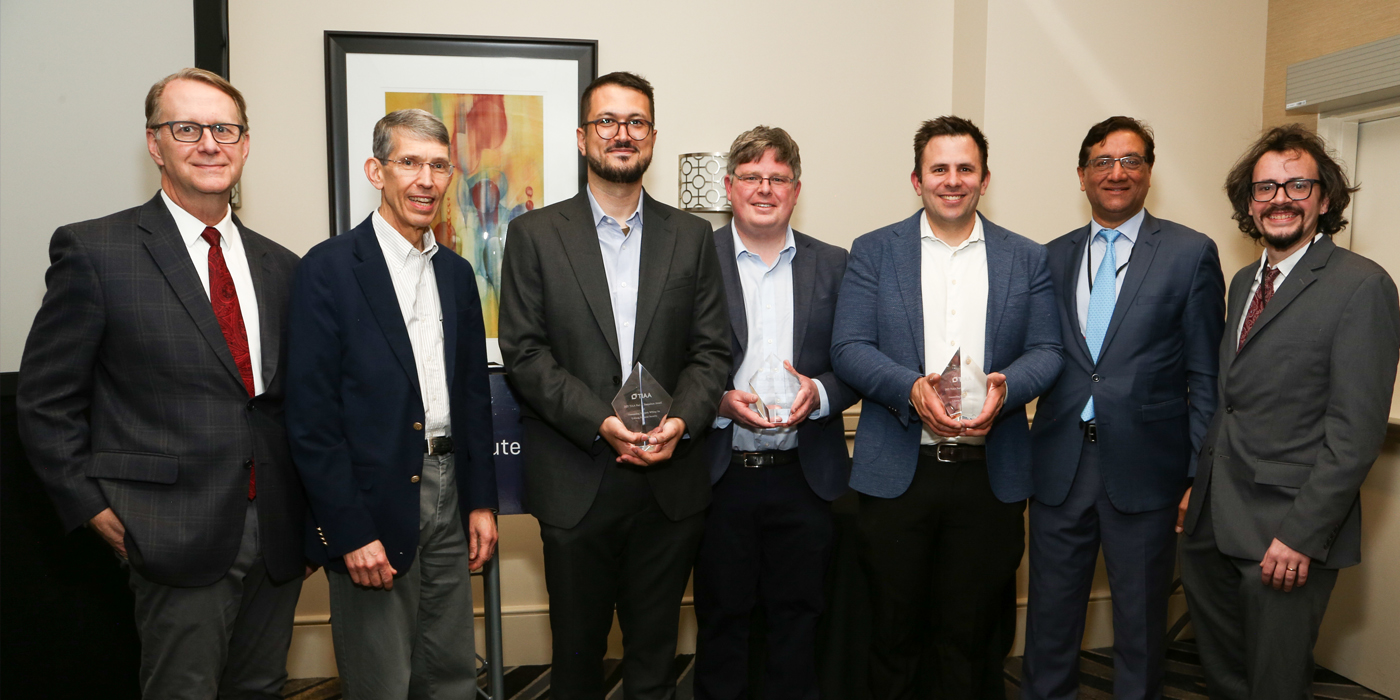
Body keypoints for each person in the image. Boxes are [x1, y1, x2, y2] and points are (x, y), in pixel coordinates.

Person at [16, 68, 305, 698]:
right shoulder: (96, 251)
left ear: (246, 144)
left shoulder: (282, 265)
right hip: (170, 530)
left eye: (224, 129)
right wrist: (92, 507)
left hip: (278, 530)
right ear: (155, 144)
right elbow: (44, 401)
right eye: (187, 128)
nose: (209, 143)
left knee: (261, 688)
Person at [497, 71, 730, 700]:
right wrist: (604, 421)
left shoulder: (692, 237)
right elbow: (524, 353)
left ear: (652, 137)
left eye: (635, 122)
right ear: (582, 137)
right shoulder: (535, 235)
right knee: (577, 660)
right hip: (577, 475)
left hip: (669, 482)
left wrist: (680, 421)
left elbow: (713, 350)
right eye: (607, 121)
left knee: (655, 659)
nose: (621, 134)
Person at [831, 115, 1063, 699]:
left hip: (990, 478)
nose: (952, 180)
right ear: (916, 179)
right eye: (940, 168)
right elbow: (849, 348)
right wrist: (910, 387)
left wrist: (1007, 390)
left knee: (973, 638)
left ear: (985, 179)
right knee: (893, 634)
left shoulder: (1027, 257)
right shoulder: (873, 251)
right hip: (897, 474)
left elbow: (1048, 350)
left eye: (966, 169)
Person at [1178, 124, 1399, 700]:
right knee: (1224, 677)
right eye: (1265, 187)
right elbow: (1234, 400)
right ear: (1248, 204)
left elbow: (1355, 433)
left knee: (1274, 684)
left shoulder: (1362, 287)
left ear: (1325, 199)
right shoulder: (1243, 281)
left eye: (1298, 185)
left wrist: (1301, 535)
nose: (1280, 198)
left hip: (1285, 537)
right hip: (1212, 522)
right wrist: (1196, 491)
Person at [285, 108, 499, 698]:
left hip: (450, 493)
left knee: (453, 672)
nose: (425, 180)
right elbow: (311, 419)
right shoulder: (327, 270)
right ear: (376, 171)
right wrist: (349, 531)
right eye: (409, 163)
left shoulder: (456, 276)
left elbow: (474, 399)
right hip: (371, 501)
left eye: (438, 165)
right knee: (382, 681)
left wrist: (481, 501)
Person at [1021, 116, 1226, 700]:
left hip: (1149, 471)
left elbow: (1205, 376)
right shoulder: (1051, 258)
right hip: (1060, 466)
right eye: (1103, 162)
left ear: (1149, 172)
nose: (1117, 173)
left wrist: (1195, 473)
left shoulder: (1190, 253)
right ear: (1082, 174)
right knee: (1050, 625)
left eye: (1131, 160)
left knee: (1139, 628)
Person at [694, 126, 857, 700]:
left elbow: (856, 361)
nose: (765, 189)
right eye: (752, 177)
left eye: (778, 179)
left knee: (799, 622)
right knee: (721, 622)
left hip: (805, 477)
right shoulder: (693, 258)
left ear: (796, 189)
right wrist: (716, 404)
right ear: (729, 186)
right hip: (720, 475)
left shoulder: (835, 264)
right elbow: (666, 358)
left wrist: (821, 392)